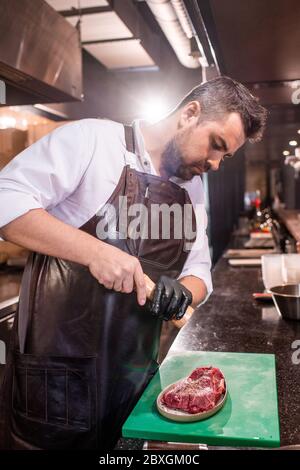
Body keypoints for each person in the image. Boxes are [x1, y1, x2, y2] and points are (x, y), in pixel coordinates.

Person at [0, 76, 267, 450]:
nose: (216, 163)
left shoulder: (192, 190)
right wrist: (95, 252)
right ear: (190, 113)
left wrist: (183, 292)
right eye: (216, 145)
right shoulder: (92, 141)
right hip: (56, 387)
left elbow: (199, 271)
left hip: (135, 383)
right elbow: (5, 198)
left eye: (225, 156)